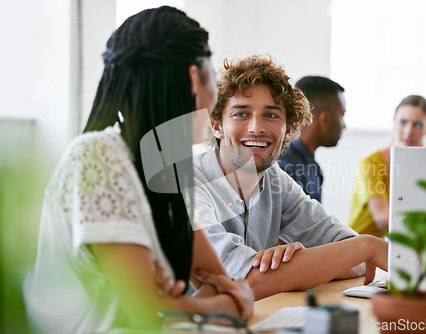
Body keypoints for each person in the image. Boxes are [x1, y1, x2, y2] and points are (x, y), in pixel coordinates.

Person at [24, 6, 254, 334]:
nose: (216, 96)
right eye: (214, 79)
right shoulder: (98, 159)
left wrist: (184, 305)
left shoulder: (164, 166)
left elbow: (214, 280)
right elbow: (151, 315)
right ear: (193, 78)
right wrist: (220, 305)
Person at [193, 55, 388, 301]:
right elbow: (243, 281)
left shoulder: (276, 180)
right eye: (241, 114)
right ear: (216, 125)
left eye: (272, 116)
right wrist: (366, 247)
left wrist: (303, 264)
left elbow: (350, 252)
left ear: (289, 130)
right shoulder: (187, 185)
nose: (256, 127)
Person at [349, 95, 426, 237]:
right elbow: (382, 219)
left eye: (417, 125)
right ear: (394, 123)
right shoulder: (371, 163)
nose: (408, 131)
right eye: (403, 122)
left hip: (402, 245)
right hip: (360, 247)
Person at [277, 76, 346, 202]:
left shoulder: (312, 167)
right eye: (341, 116)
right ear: (325, 119)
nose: (344, 125)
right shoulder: (283, 167)